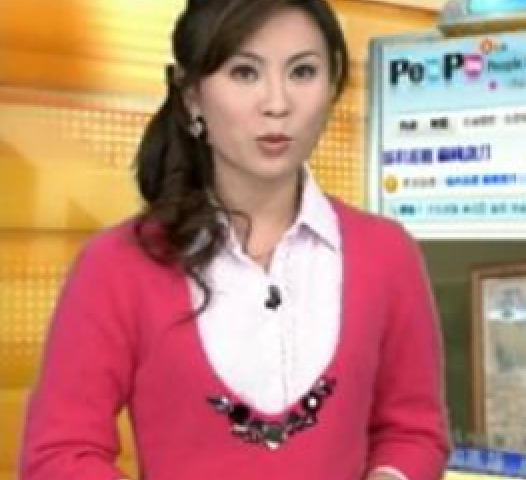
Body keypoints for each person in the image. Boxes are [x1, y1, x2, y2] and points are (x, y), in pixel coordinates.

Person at [19, 0, 450, 479]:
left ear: (333, 87)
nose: (277, 103)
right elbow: (59, 455)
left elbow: (413, 432)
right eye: (245, 73)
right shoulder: (118, 265)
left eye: (302, 72)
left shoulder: (387, 253)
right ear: (192, 96)